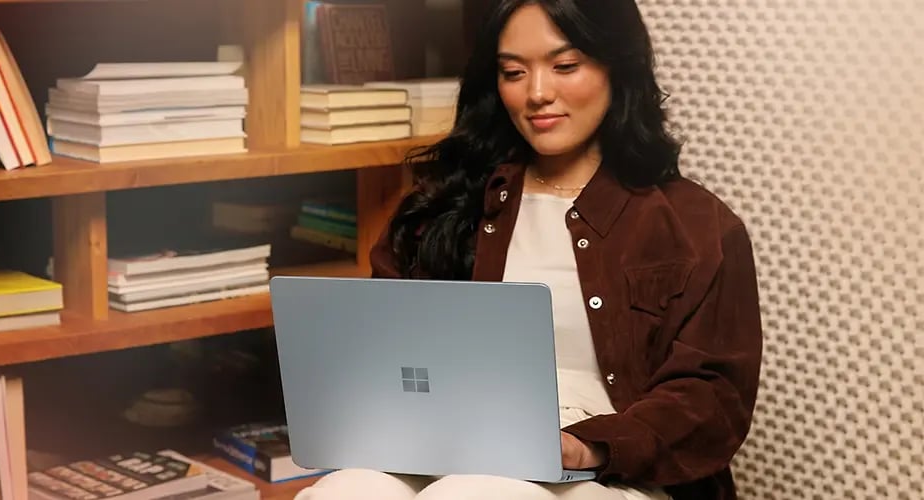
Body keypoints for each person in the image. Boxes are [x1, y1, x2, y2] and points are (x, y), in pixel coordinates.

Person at [296, 0, 763, 498]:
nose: (538, 93)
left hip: (611, 468)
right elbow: (384, 351)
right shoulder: (444, 205)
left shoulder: (697, 225)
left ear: (616, 66)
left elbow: (712, 397)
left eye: (565, 66)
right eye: (514, 72)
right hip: (456, 444)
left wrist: (585, 446)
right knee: (340, 491)